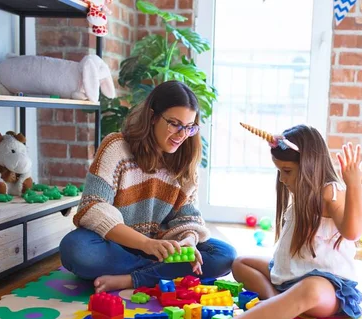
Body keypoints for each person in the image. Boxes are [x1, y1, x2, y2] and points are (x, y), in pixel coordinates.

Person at [196, 124, 362, 319]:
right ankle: (275, 301)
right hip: (290, 277)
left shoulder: (330, 192)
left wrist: (354, 184)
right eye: (279, 171)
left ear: (309, 166)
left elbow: (353, 232)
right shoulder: (301, 194)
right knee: (240, 263)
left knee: (310, 289)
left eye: (287, 171)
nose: (283, 179)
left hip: (329, 287)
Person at [60, 81, 236, 293]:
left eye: (189, 127)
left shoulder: (185, 162)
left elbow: (188, 217)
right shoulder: (116, 147)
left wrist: (188, 241)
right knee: (76, 249)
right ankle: (162, 274)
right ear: (152, 117)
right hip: (116, 245)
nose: (182, 135)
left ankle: (133, 279)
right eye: (175, 123)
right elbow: (93, 207)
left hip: (160, 248)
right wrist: (145, 244)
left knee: (224, 255)